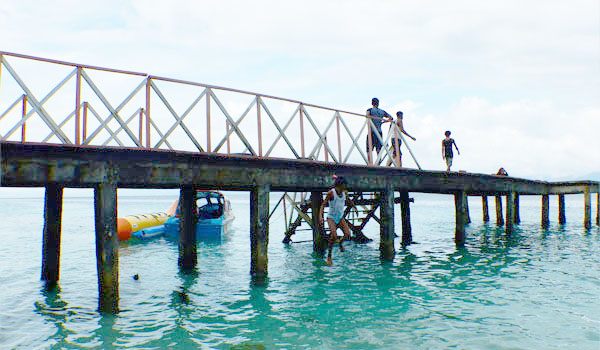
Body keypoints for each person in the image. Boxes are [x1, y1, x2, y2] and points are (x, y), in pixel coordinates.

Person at [319, 176, 353, 265]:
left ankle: (340, 243)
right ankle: (329, 257)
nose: (345, 187)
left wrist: (354, 207)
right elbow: (323, 205)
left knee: (348, 234)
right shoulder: (331, 193)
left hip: (340, 217)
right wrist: (320, 216)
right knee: (333, 235)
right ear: (340, 185)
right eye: (344, 185)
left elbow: (349, 201)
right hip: (331, 217)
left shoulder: (344, 193)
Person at [365, 98, 393, 165]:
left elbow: (367, 116)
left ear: (372, 103)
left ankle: (370, 163)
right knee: (379, 149)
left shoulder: (370, 110)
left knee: (369, 148)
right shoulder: (382, 111)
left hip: (371, 131)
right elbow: (391, 118)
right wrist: (383, 122)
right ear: (378, 103)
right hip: (379, 131)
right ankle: (378, 163)